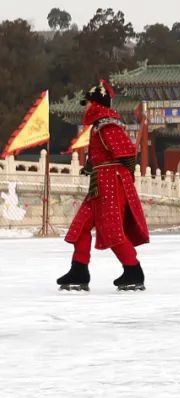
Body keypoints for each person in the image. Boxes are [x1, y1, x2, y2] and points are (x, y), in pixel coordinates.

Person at [57, 81, 150, 292]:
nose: (86, 107)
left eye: (88, 103)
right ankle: (79, 269)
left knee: (112, 229)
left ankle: (133, 269)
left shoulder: (107, 124)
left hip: (111, 183)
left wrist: (120, 176)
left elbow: (127, 152)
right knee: (80, 226)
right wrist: (92, 165)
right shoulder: (98, 126)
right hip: (99, 182)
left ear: (96, 103)